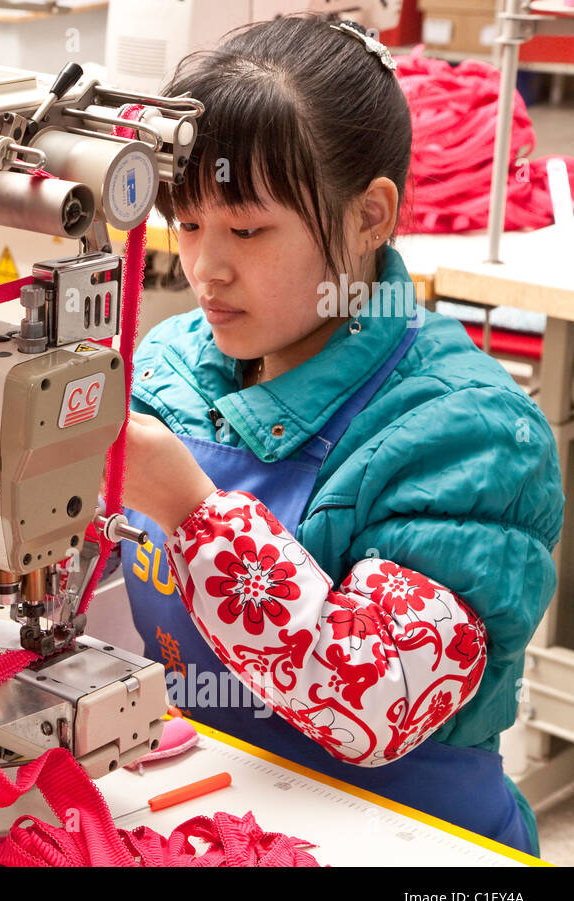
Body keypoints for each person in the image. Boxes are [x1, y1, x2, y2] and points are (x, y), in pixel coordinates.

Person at [116, 15, 562, 856]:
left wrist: (190, 509)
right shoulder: (173, 361)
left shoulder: (473, 435)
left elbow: (374, 701)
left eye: (246, 230)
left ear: (370, 216)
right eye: (188, 223)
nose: (205, 268)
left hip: (412, 842)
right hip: (223, 803)